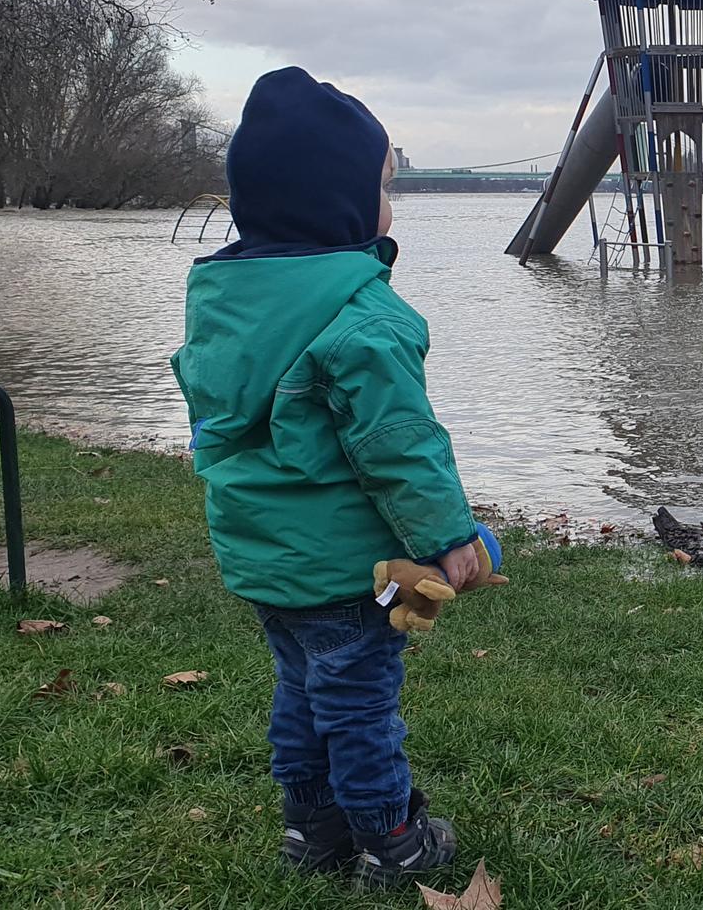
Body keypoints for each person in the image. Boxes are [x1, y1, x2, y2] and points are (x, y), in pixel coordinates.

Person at [171, 66, 485, 889]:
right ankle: (393, 843)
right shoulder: (363, 319)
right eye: (384, 187)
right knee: (358, 707)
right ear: (341, 202)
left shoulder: (222, 305)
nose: (391, 204)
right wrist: (449, 539)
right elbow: (400, 447)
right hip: (350, 570)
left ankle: (311, 835)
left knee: (301, 693)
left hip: (265, 562)